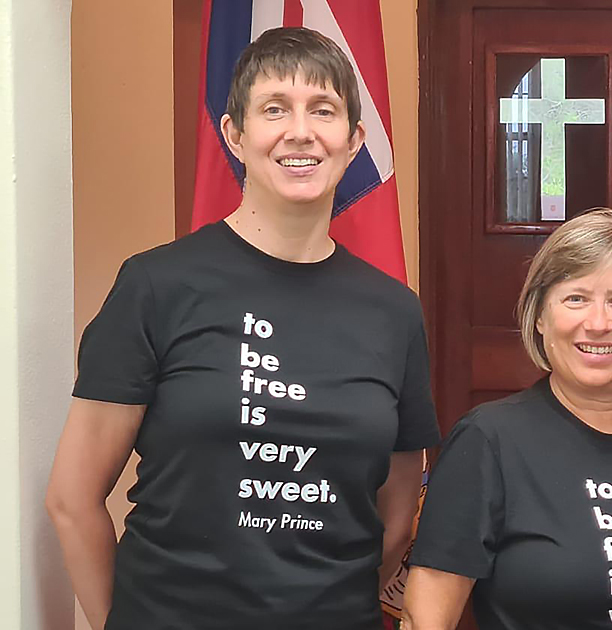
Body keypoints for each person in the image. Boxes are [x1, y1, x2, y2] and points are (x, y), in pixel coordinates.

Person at [45, 27, 439, 630]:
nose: (300, 132)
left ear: (355, 141)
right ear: (235, 133)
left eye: (324, 110)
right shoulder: (156, 286)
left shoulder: (394, 313)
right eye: (274, 108)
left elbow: (396, 514)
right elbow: (72, 501)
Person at [402, 209, 612, 629]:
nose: (598, 323)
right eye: (576, 298)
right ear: (539, 316)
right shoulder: (488, 440)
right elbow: (425, 618)